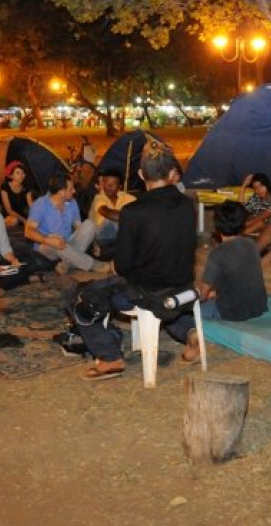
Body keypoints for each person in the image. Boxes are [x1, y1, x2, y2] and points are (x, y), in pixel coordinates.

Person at [77, 136, 199, 380]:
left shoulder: (133, 212)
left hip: (147, 292)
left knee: (82, 296)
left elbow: (122, 266)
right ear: (172, 173)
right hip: (183, 285)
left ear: (141, 175)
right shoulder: (187, 205)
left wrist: (116, 265)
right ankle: (190, 332)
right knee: (156, 285)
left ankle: (110, 358)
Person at [196, 201, 267, 321]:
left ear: (216, 225)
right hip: (258, 308)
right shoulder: (251, 244)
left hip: (232, 312)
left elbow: (202, 295)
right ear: (243, 224)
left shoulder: (217, 253)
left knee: (183, 317)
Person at [24, 176, 109, 275]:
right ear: (61, 192)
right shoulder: (40, 204)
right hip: (46, 246)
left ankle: (66, 263)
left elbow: (79, 228)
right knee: (57, 239)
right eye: (71, 189)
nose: (74, 191)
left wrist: (93, 243)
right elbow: (28, 231)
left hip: (68, 243)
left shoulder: (72, 203)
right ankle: (92, 264)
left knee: (89, 224)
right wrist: (48, 240)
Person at [88, 167, 136, 252]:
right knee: (114, 222)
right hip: (100, 235)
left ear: (120, 186)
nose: (109, 186)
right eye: (106, 183)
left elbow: (141, 206)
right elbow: (107, 213)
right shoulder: (99, 198)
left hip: (118, 234)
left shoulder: (126, 197)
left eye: (113, 184)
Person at [0, 161, 35, 227]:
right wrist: (23, 220)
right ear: (11, 175)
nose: (21, 175)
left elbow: (31, 206)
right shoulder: (5, 187)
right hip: (9, 215)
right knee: (14, 220)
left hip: (22, 216)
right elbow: (8, 209)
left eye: (23, 173)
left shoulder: (26, 189)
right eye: (17, 173)